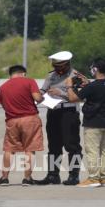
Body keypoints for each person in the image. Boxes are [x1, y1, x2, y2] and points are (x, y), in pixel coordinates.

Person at [66, 58, 105, 188]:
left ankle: (93, 178)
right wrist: (87, 83)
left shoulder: (92, 87)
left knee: (92, 151)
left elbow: (73, 99)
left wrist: (69, 86)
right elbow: (98, 90)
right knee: (104, 151)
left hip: (93, 123)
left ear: (95, 69)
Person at [36, 51, 83, 186]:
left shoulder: (76, 77)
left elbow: (80, 97)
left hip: (69, 112)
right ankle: (52, 175)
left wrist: (60, 93)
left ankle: (74, 176)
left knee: (72, 145)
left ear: (67, 65)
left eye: (60, 67)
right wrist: (37, 96)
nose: (58, 69)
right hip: (53, 112)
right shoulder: (51, 76)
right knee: (53, 146)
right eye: (55, 66)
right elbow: (42, 90)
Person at [0, 65, 44, 186]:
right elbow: (37, 98)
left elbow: (3, 105)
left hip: (12, 120)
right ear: (23, 73)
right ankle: (27, 178)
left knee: (9, 149)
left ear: (11, 74)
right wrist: (42, 97)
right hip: (30, 119)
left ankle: (4, 178)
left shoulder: (2, 87)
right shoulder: (29, 81)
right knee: (30, 149)